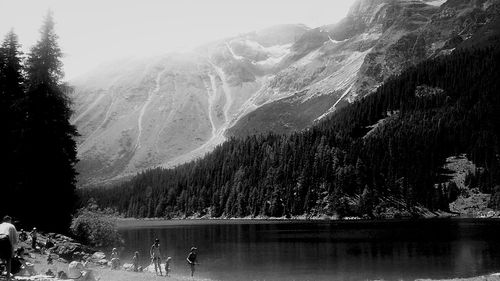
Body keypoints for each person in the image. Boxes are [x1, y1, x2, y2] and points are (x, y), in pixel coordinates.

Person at [0, 215, 19, 281]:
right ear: (9, 220)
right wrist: (12, 250)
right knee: (8, 259)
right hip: (5, 239)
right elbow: (14, 240)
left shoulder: (0, 225)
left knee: (1, 257)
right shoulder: (11, 226)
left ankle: (1, 272)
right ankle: (8, 277)